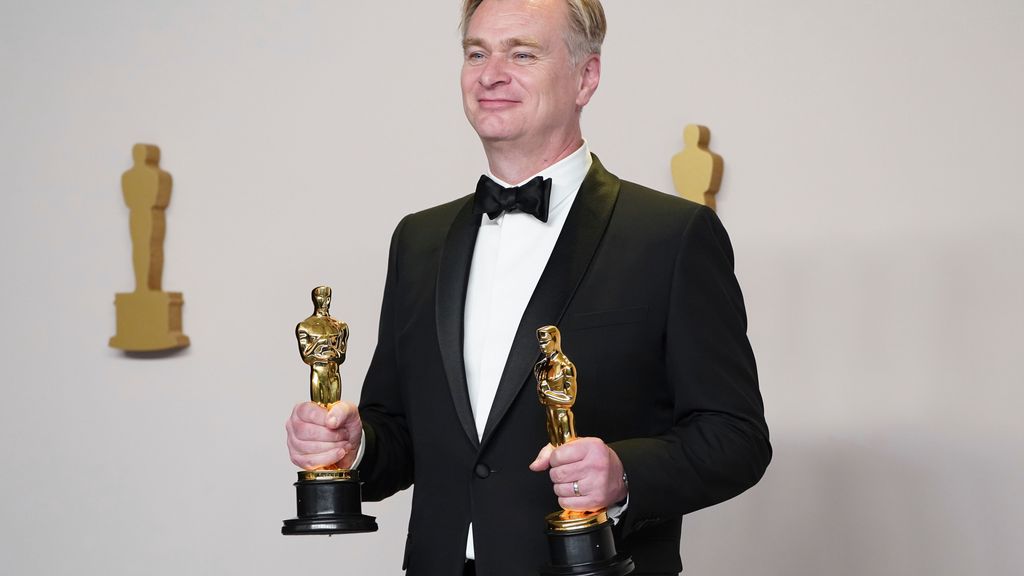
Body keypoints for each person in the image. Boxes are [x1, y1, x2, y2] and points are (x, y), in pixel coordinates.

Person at [284, 1, 771, 574]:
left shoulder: (672, 236)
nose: (491, 74)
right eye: (476, 53)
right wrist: (354, 445)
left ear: (585, 77)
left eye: (522, 54)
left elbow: (736, 437)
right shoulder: (417, 240)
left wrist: (623, 474)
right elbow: (403, 435)